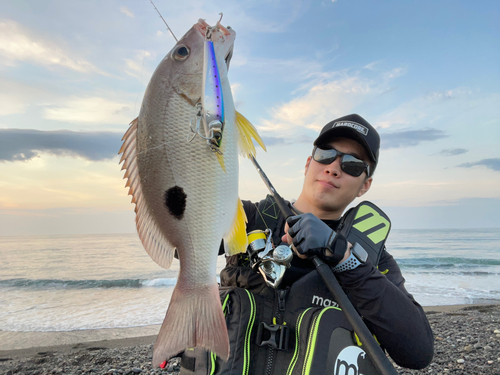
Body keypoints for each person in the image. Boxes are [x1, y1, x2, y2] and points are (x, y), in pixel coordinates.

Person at [181, 114, 434, 375]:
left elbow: (417, 351)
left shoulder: (370, 259)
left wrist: (343, 257)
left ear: (364, 186)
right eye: (325, 154)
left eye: (353, 164)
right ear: (308, 164)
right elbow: (179, 235)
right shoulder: (249, 219)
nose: (333, 167)